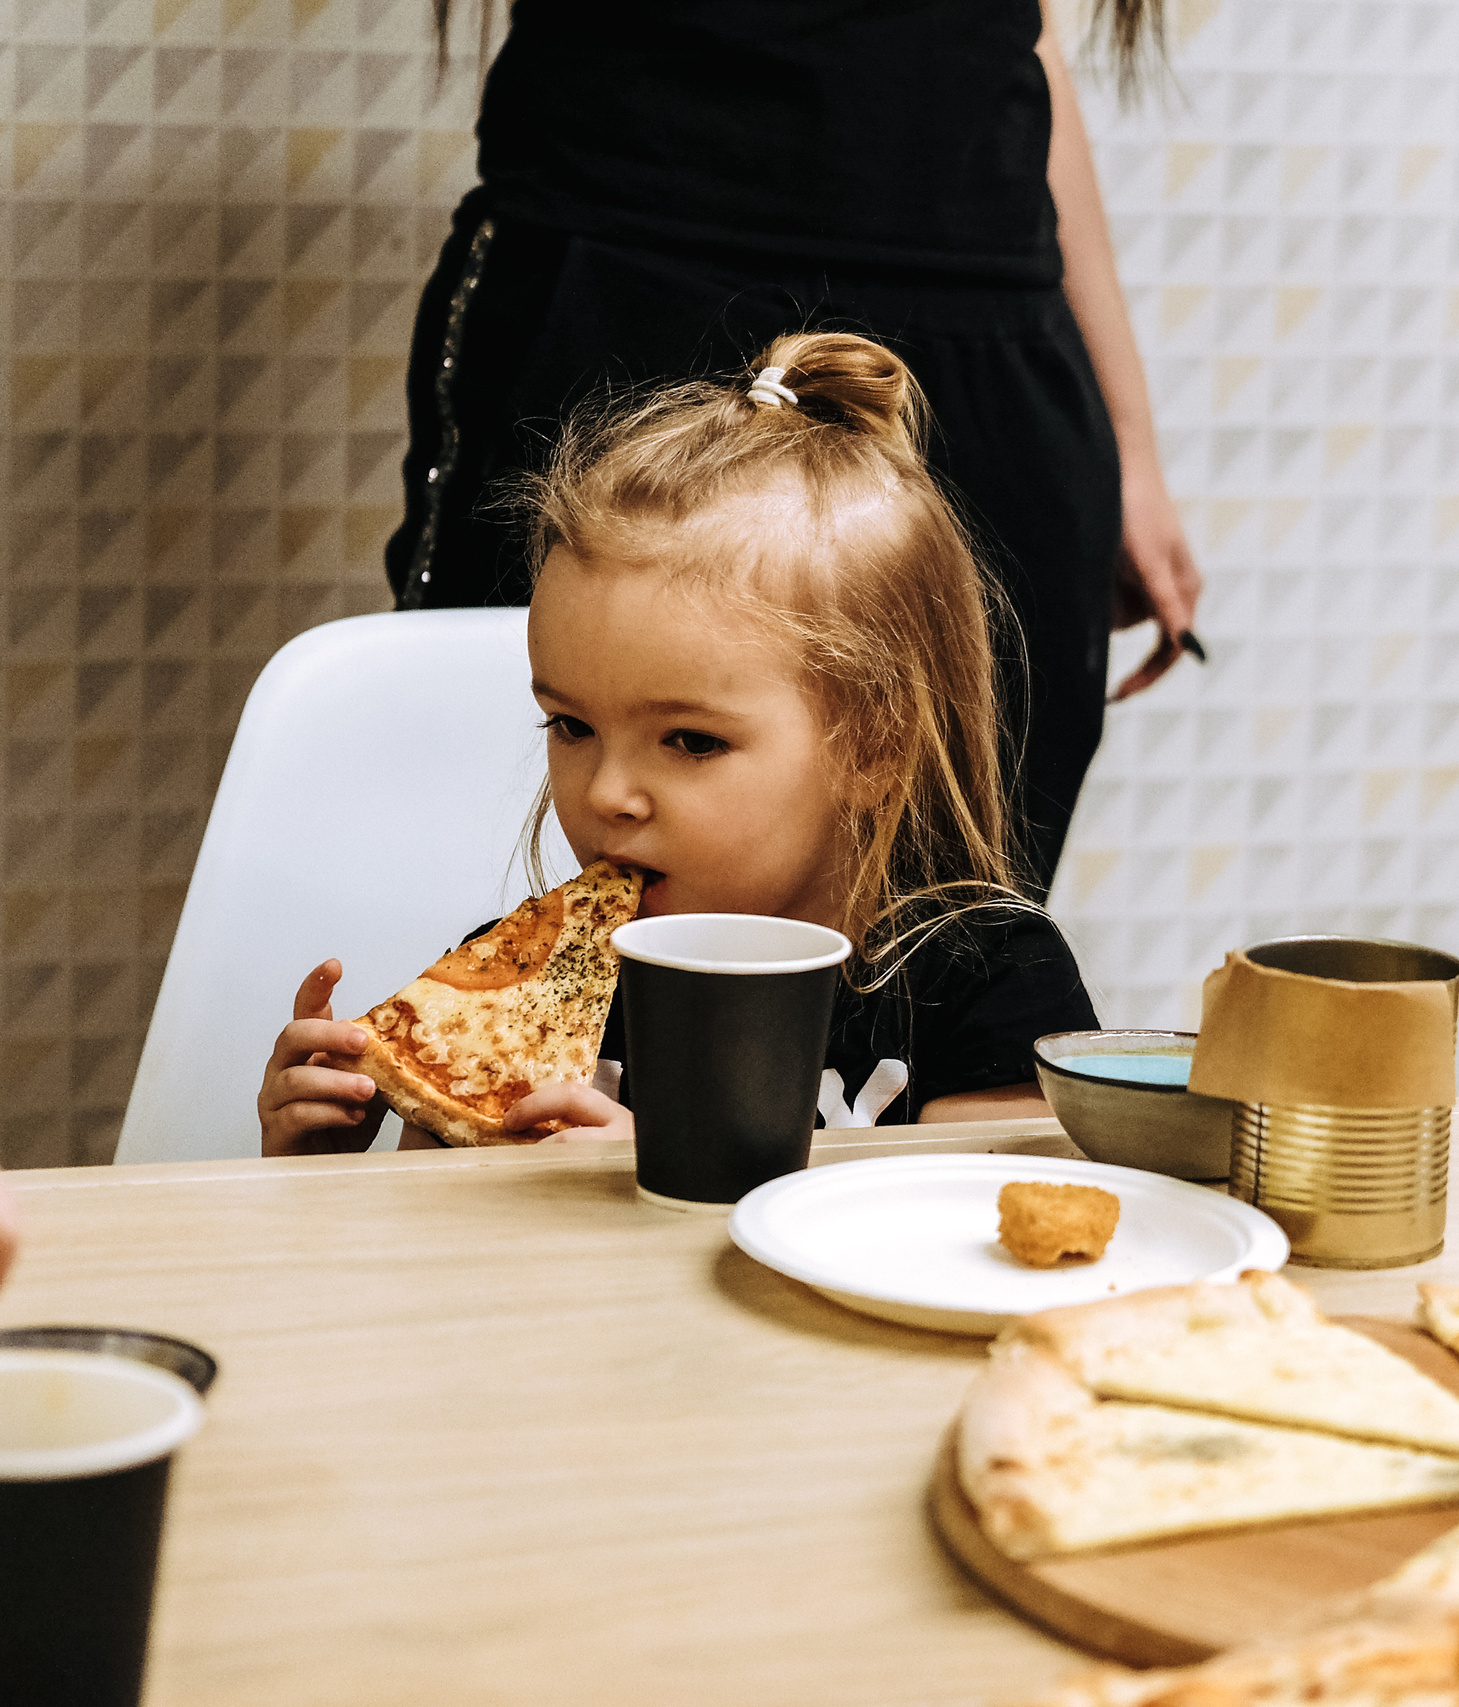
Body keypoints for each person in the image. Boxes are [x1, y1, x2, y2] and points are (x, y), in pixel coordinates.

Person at [385, 0, 1202, 895]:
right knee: (520, 888)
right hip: (622, 270)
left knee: (960, 933)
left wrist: (1130, 446)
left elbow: (1029, 28)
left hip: (987, 325)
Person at [260, 334, 1100, 1156]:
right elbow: (432, 1269)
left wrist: (680, 1176)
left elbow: (980, 1249)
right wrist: (323, 1177)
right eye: (572, 725)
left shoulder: (985, 982)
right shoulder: (531, 985)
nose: (607, 793)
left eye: (691, 741)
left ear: (870, 745)